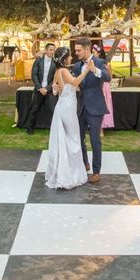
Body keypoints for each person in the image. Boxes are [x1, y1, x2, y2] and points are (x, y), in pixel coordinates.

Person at [45, 47, 91, 189]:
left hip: (62, 106)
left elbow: (54, 89)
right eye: (70, 56)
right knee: (73, 138)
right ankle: (70, 174)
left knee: (66, 139)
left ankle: (65, 170)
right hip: (67, 108)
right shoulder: (64, 71)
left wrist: (54, 87)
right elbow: (75, 82)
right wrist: (86, 70)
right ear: (65, 58)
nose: (72, 58)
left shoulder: (57, 72)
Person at [72, 37, 111, 184]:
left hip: (96, 107)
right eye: (75, 50)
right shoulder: (76, 66)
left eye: (79, 50)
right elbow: (72, 81)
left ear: (87, 49)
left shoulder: (100, 62)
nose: (76, 53)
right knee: (79, 138)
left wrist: (95, 70)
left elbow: (108, 78)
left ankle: (96, 171)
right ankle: (85, 163)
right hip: (81, 107)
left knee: (95, 140)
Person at [27, 43, 57, 134]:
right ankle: (30, 128)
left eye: (53, 50)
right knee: (34, 109)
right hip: (39, 89)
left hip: (49, 89)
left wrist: (47, 89)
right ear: (46, 50)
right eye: (51, 50)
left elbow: (54, 78)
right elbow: (34, 74)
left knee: (53, 110)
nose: (52, 52)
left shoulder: (55, 62)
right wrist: (39, 87)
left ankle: (54, 129)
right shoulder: (38, 60)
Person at [92, 43, 114, 131]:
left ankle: (102, 127)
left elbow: (110, 76)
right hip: (95, 85)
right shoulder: (92, 63)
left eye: (93, 52)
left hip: (104, 86)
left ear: (99, 53)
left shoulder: (106, 64)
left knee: (104, 105)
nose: (92, 54)